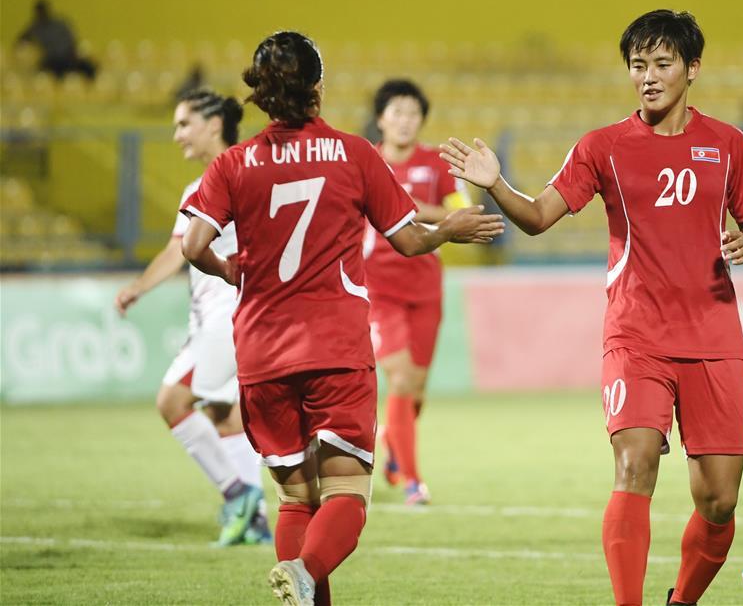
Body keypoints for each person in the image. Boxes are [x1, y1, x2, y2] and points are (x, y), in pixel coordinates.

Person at [440, 10, 743, 606]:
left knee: (719, 500)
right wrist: (496, 184)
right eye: (638, 65)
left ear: (692, 69)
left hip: (715, 335)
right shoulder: (604, 146)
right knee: (635, 463)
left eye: (662, 64)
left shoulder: (728, 143)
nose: (648, 76)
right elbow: (538, 217)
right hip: (635, 334)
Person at [179, 31, 504, 606]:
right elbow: (407, 241)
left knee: (295, 500)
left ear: (261, 92)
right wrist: (449, 229)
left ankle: (301, 580)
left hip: (260, 349)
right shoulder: (355, 154)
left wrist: (230, 270)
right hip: (335, 346)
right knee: (347, 496)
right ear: (318, 88)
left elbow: (193, 243)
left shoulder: (234, 162)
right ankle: (304, 573)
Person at [114, 89, 269, 546]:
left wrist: (138, 288)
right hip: (217, 319)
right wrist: (139, 287)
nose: (177, 134)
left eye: (184, 124)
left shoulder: (242, 173)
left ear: (213, 124)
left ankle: (237, 493)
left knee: (172, 401)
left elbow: (183, 251)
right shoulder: (214, 180)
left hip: (229, 316)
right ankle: (255, 521)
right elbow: (176, 251)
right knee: (225, 415)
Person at [364, 79, 472, 505]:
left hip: (426, 285)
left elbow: (460, 212)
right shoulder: (366, 161)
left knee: (416, 392)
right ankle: (412, 480)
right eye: (397, 113)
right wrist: (426, 211)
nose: (405, 121)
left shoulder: (436, 162)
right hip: (377, 287)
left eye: (413, 114)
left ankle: (392, 439)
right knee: (403, 379)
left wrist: (416, 208)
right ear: (381, 119)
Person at [16, 0, 97, 80]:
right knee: (40, 75)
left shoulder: (60, 24)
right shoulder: (35, 27)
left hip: (68, 59)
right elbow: (21, 39)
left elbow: (73, 40)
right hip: (52, 62)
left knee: (89, 67)